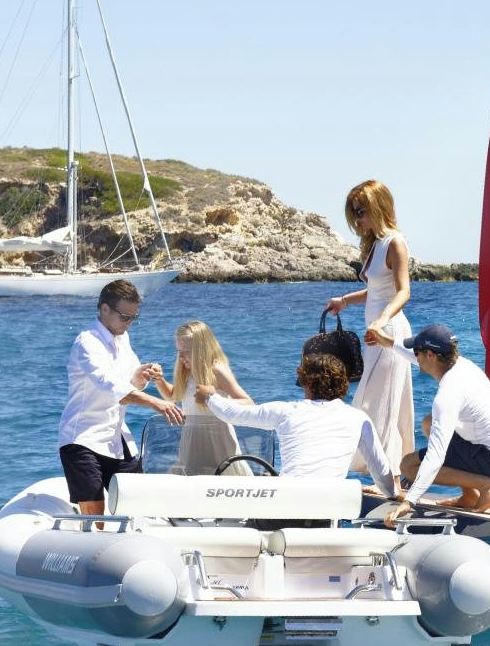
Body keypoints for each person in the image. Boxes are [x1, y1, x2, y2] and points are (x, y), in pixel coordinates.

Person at [371, 324, 490, 523]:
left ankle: (488, 486)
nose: (415, 357)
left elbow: (436, 456)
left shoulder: (448, 394)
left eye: (418, 351)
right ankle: (470, 496)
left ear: (431, 355)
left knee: (409, 466)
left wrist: (409, 501)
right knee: (429, 423)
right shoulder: (461, 365)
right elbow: (415, 357)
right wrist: (387, 341)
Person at [58, 279, 185, 516]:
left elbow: (131, 383)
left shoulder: (122, 338)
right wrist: (156, 403)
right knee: (95, 514)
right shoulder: (88, 342)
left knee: (141, 504)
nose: (129, 324)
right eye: (125, 317)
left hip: (116, 437)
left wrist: (143, 374)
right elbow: (112, 388)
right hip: (82, 439)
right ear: (105, 309)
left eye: (133, 318)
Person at [196, 352, 397, 496]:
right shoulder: (358, 418)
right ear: (343, 384)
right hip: (328, 508)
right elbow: (381, 471)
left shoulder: (286, 411)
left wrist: (210, 396)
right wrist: (392, 494)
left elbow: (233, 414)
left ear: (307, 383)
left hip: (288, 504)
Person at [325, 179, 415, 473]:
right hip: (376, 333)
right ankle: (395, 474)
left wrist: (382, 320)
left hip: (389, 332)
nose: (358, 219)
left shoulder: (395, 242)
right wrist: (344, 301)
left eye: (361, 211)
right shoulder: (376, 244)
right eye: (355, 212)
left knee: (379, 402)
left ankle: (392, 478)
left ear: (378, 206)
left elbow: (403, 291)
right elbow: (376, 291)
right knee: (381, 401)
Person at [156, 320, 254, 475]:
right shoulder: (187, 372)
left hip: (219, 445)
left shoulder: (216, 370)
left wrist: (213, 398)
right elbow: (173, 395)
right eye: (178, 351)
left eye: (186, 351)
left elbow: (249, 403)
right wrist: (159, 380)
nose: (181, 356)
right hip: (192, 445)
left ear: (202, 349)